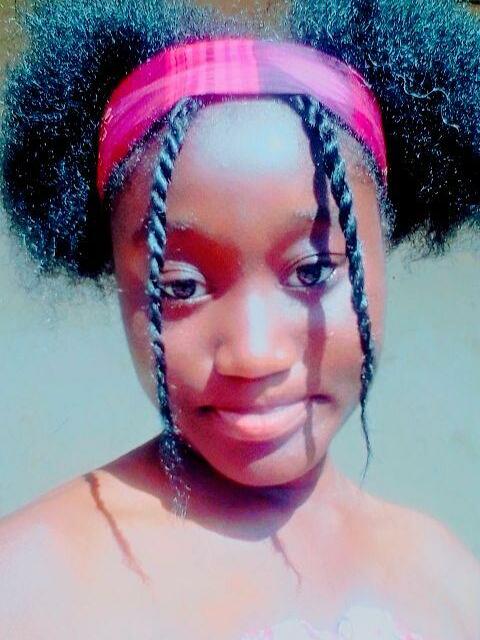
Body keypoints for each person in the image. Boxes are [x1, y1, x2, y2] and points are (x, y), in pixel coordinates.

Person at [0, 0, 479, 638]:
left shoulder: (447, 582)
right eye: (180, 285)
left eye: (313, 271)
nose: (253, 354)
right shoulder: (32, 583)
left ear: (381, 249)